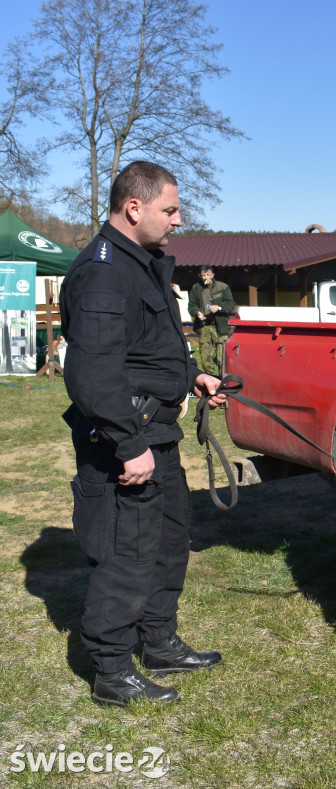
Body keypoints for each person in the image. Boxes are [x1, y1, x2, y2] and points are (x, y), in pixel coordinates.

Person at [60, 161, 228, 707]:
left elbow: (147, 348)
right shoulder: (105, 272)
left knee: (169, 539)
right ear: (134, 208)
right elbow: (93, 372)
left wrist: (191, 376)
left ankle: (157, 641)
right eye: (170, 209)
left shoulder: (141, 263)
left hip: (157, 432)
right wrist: (128, 444)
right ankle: (111, 668)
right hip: (124, 440)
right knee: (126, 551)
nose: (179, 220)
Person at [187, 266, 235, 377]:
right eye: (203, 275)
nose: (205, 277)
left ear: (212, 275)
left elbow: (230, 305)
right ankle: (211, 381)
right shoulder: (196, 287)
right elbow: (191, 305)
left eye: (207, 275)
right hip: (204, 326)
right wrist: (196, 312)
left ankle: (223, 381)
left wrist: (219, 307)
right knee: (205, 357)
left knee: (221, 357)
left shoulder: (223, 287)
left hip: (219, 326)